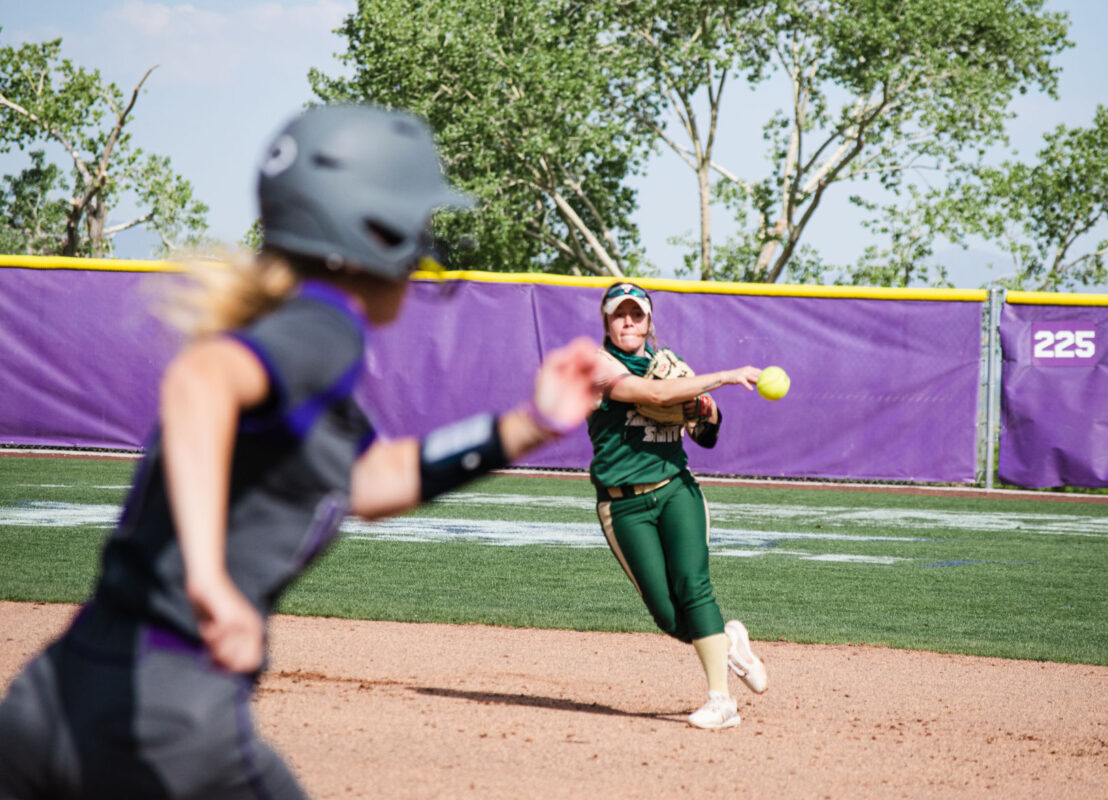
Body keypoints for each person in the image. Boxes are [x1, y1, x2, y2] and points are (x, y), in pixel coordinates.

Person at [0, 104, 601, 799]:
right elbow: (202, 379)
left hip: (53, 697)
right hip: (164, 718)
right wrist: (208, 581)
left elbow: (369, 481)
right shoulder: (326, 325)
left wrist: (528, 425)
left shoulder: (297, 335)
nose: (423, 245)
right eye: (415, 221)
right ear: (374, 230)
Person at [587, 281, 769, 730]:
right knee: (669, 617)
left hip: (675, 490)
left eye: (636, 314)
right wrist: (725, 376)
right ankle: (730, 642)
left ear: (648, 322)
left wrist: (707, 411)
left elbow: (705, 435)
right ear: (606, 321)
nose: (628, 321)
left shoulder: (670, 366)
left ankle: (721, 701)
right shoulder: (594, 364)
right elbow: (653, 397)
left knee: (693, 585)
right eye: (619, 314)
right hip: (623, 507)